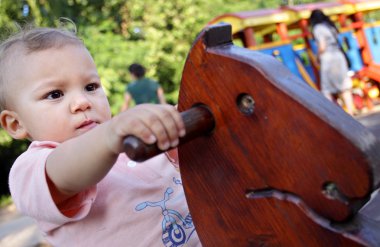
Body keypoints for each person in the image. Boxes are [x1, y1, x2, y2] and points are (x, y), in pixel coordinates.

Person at [0, 27, 201, 246]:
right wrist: (110, 134)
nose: (82, 102)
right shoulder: (31, 169)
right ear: (16, 123)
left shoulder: (133, 142)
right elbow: (65, 172)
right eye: (55, 94)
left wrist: (174, 122)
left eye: (90, 86)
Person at [309, 9, 356, 115]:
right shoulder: (330, 26)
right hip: (339, 56)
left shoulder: (317, 28)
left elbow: (322, 46)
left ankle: (332, 116)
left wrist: (317, 58)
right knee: (344, 87)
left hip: (328, 58)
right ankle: (351, 112)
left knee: (327, 89)